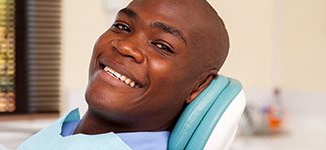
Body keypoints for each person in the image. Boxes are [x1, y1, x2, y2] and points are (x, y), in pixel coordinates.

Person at [20, 0, 229, 149]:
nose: (125, 46)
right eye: (122, 26)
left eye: (162, 45)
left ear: (199, 86)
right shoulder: (67, 129)